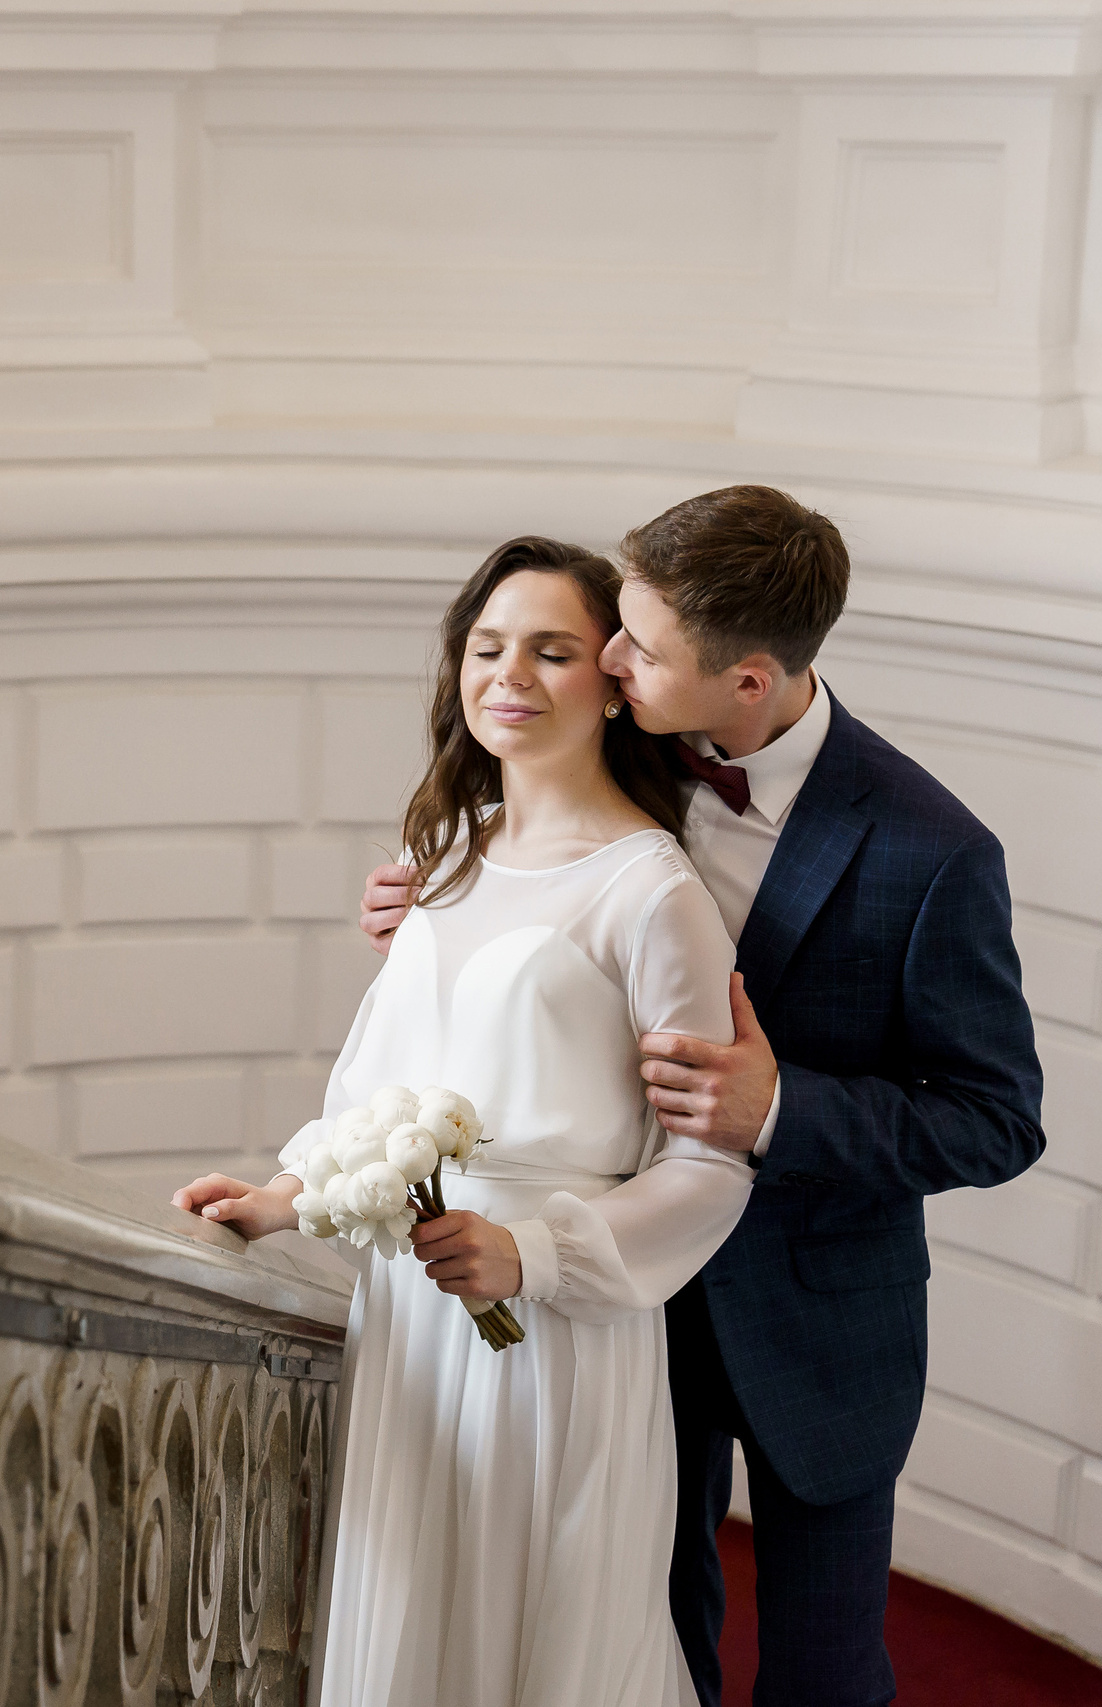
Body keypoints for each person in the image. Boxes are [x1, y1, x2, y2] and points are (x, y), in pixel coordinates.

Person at [358, 486, 1046, 1707]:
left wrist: (779, 1111)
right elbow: (544, 874)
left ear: (749, 681)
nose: (611, 659)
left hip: (817, 1324)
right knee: (641, 1630)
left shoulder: (936, 851)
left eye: (641, 646)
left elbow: (994, 1119)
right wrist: (446, 912)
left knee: (824, 1673)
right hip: (624, 1310)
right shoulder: (632, 744)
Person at [177, 536, 758, 1707]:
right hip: (413, 1316)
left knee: (540, 1627)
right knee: (409, 1622)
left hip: (554, 1328)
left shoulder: (654, 892)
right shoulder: (441, 855)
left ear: (611, 680)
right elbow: (382, 1093)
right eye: (487, 648)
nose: (511, 676)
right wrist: (286, 1197)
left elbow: (709, 1167)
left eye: (551, 650)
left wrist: (530, 1258)